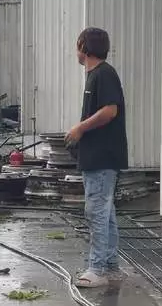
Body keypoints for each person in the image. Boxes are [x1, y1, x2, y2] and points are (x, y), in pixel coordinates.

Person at [65, 27, 128, 288]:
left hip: (103, 156)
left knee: (97, 212)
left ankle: (98, 268)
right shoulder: (96, 75)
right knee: (106, 212)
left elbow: (110, 111)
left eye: (77, 44)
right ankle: (110, 266)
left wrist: (80, 128)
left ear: (83, 46)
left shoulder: (104, 74)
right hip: (98, 155)